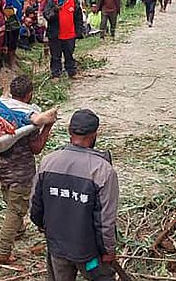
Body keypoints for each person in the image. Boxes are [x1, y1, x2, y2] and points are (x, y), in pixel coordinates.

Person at [30, 109, 118, 281]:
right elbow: (105, 220)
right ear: (94, 135)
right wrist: (108, 250)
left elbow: (35, 205)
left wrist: (42, 225)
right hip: (89, 255)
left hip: (57, 248)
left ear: (69, 132)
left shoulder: (48, 162)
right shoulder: (102, 171)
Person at [0, 75, 56, 264]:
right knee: (16, 209)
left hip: (2, 166)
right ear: (29, 95)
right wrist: (47, 127)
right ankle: (3, 251)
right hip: (21, 172)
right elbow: (36, 148)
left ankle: (18, 230)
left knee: (10, 199)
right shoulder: (30, 115)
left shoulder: (1, 108)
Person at [43, 0, 84, 79]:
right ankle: (56, 74)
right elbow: (47, 15)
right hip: (55, 35)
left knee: (69, 55)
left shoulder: (73, 1)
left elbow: (78, 17)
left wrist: (79, 31)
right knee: (55, 56)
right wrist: (55, 10)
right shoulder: (51, 2)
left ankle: (71, 72)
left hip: (70, 34)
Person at [3, 0, 25, 71]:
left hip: (18, 22)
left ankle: (13, 58)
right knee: (10, 42)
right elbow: (7, 10)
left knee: (15, 41)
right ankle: (10, 61)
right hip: (11, 23)